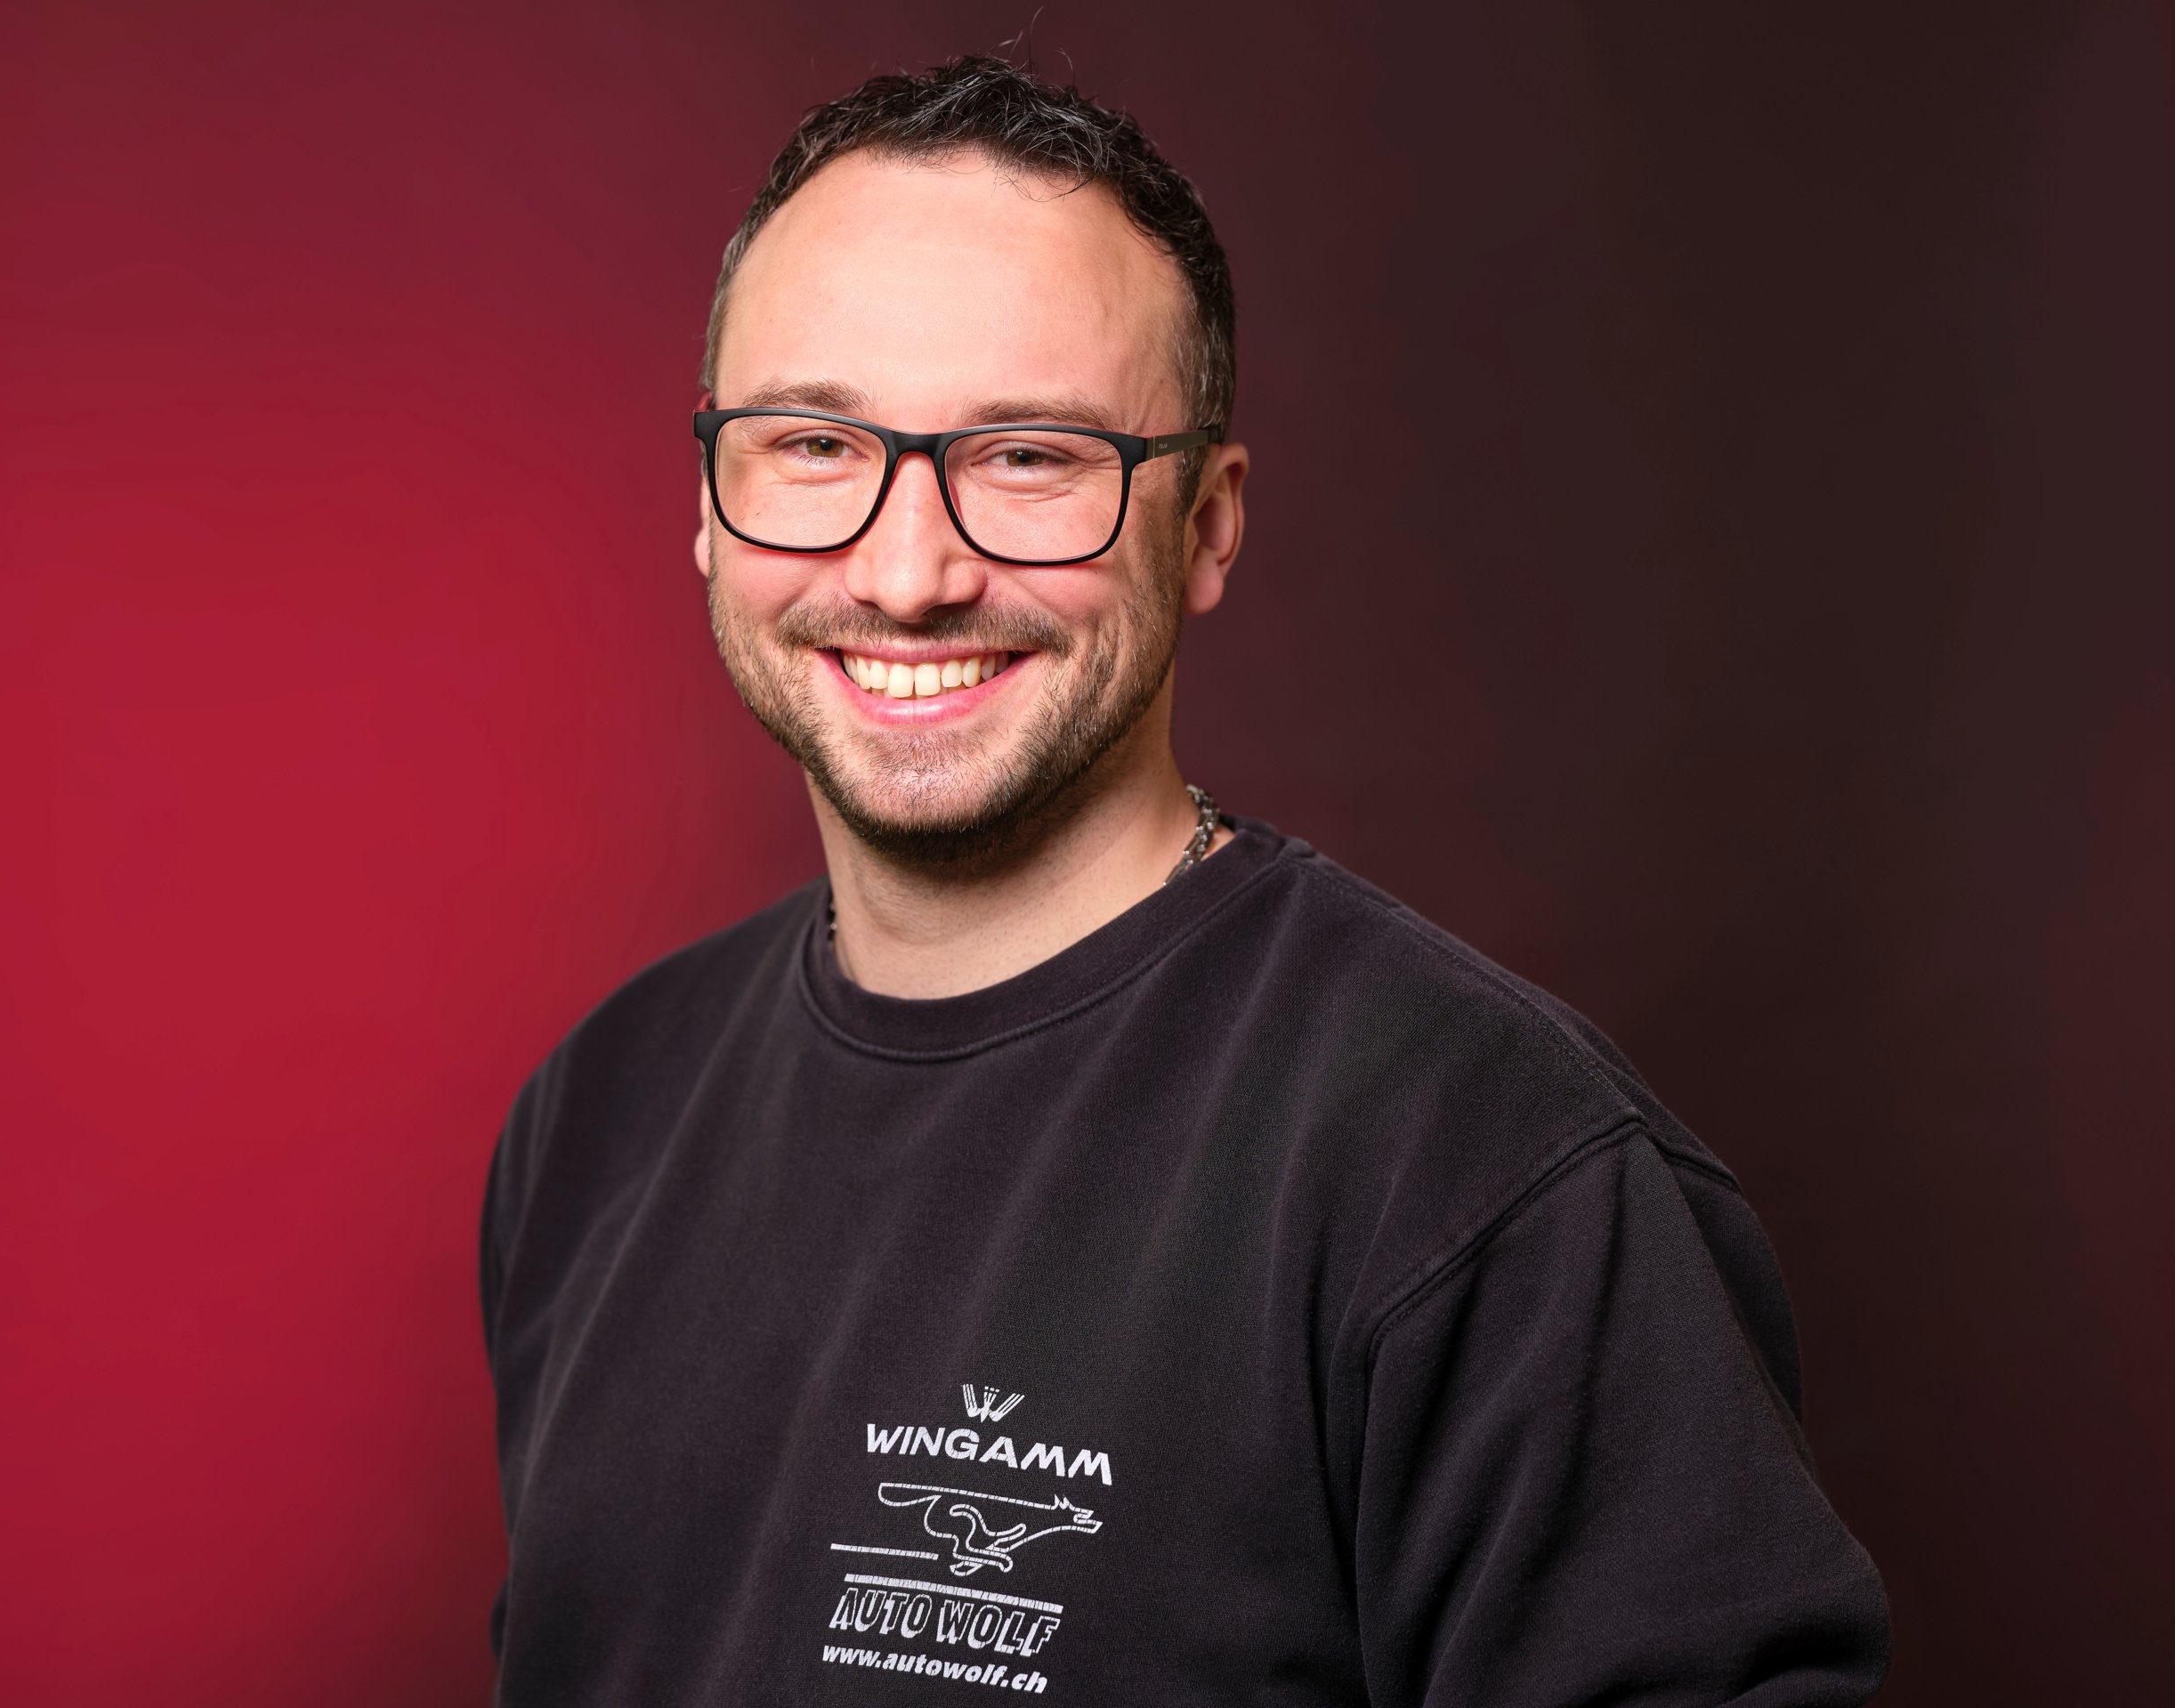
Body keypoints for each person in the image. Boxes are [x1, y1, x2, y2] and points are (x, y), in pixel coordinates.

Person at [477, 54, 1892, 1706]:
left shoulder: (1483, 1170)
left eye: (1029, 457)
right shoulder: (598, 1119)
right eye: (812, 443)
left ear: (1209, 526)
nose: (908, 570)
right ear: (713, 506)